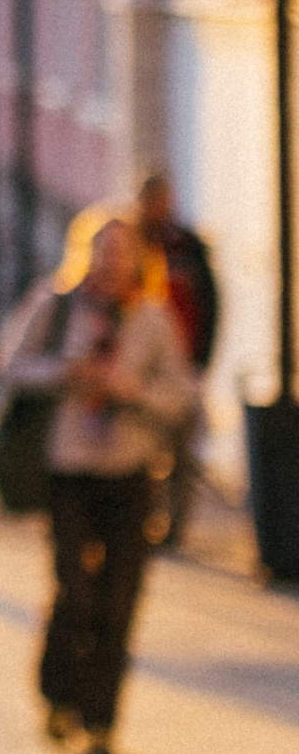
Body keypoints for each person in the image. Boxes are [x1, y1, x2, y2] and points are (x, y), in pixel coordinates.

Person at [0, 206, 195, 754]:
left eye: (124, 253)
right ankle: (59, 694)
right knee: (74, 590)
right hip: (68, 469)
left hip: (129, 470)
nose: (113, 263)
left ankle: (100, 718)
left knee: (118, 598)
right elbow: (10, 364)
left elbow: (181, 396)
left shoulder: (151, 319)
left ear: (138, 261)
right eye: (104, 251)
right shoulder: (56, 306)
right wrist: (66, 371)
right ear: (85, 252)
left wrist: (134, 391)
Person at [134, 168, 219, 548]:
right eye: (153, 200)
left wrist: (202, 360)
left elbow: (210, 303)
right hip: (141, 369)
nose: (159, 208)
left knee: (183, 453)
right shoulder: (130, 243)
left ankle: (174, 528)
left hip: (182, 365)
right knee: (142, 449)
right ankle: (143, 522)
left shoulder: (186, 246)